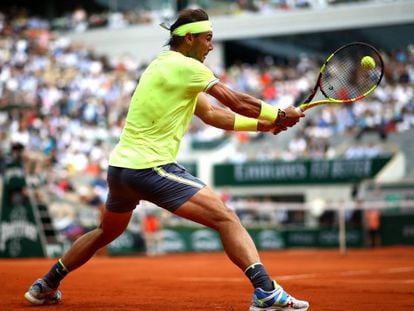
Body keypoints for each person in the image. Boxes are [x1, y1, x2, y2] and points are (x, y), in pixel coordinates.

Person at [24, 8, 309, 311]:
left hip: (120, 170)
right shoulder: (188, 68)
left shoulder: (161, 65)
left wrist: (262, 125)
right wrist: (278, 114)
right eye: (207, 39)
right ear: (189, 39)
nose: (211, 46)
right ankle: (265, 290)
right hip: (150, 167)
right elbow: (235, 100)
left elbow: (211, 113)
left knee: (105, 232)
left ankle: (45, 284)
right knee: (226, 218)